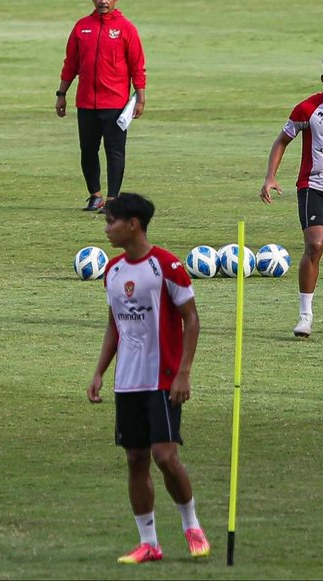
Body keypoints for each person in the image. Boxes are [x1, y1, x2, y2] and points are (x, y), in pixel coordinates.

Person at [87, 192, 210, 564]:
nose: (107, 229)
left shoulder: (167, 267)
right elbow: (115, 326)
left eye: (111, 222)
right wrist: (99, 371)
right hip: (128, 381)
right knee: (136, 458)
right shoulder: (113, 270)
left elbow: (192, 320)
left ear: (133, 225)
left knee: (165, 455)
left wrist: (184, 372)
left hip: (163, 377)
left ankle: (191, 525)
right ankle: (149, 543)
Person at [259, 49, 323, 338]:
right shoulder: (307, 110)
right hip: (313, 187)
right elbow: (282, 141)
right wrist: (270, 177)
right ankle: (305, 317)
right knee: (315, 244)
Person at [55, 0, 146, 212]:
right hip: (86, 102)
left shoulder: (126, 28)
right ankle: (95, 196)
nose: (103, 1)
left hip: (115, 103)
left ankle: (113, 199)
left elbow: (137, 65)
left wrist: (141, 97)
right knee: (88, 150)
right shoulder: (81, 27)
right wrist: (61, 93)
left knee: (115, 151)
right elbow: (70, 64)